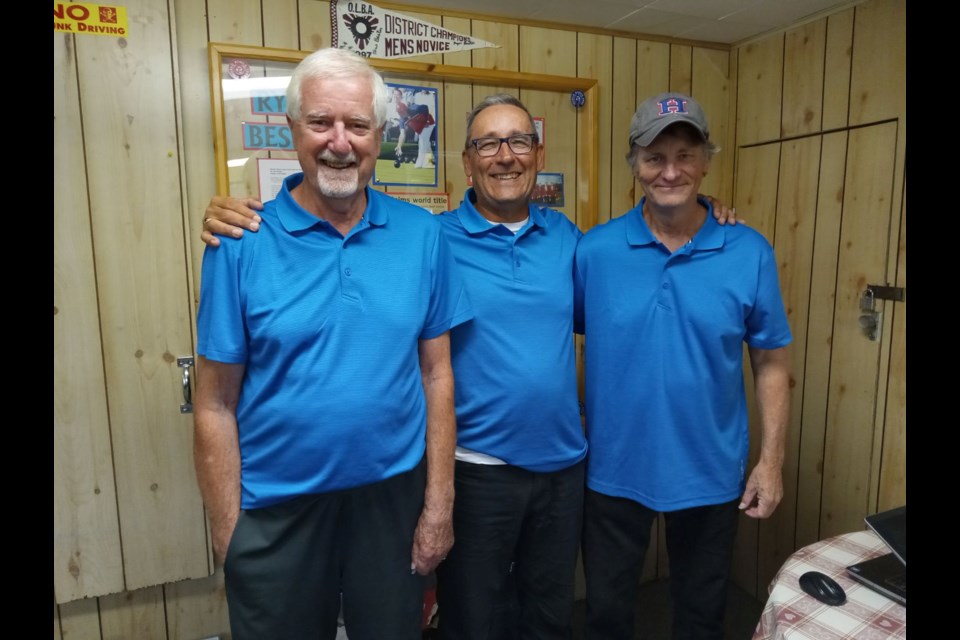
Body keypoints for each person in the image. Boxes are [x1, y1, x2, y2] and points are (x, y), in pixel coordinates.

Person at [202, 93, 740, 640]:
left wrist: (702, 208)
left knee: (550, 617)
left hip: (563, 469)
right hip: (475, 469)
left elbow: (628, 280)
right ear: (467, 160)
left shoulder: (569, 241)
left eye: (519, 141)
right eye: (488, 143)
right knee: (473, 620)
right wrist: (235, 211)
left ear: (536, 152)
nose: (505, 155)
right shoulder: (430, 238)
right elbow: (350, 213)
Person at [192, 47, 473, 640]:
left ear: (380, 134)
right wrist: (229, 531)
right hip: (277, 507)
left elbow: (438, 375)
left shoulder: (423, 235)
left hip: (391, 500)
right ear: (293, 128)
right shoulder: (240, 243)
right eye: (321, 122)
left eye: (357, 125)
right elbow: (214, 402)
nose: (339, 141)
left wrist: (438, 505)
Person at [574, 92, 793, 640]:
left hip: (709, 469)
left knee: (701, 615)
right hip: (612, 467)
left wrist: (771, 461)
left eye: (685, 155)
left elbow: (769, 359)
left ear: (706, 162)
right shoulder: (595, 252)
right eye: (655, 157)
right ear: (635, 164)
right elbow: (570, 335)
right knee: (606, 614)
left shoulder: (749, 250)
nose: (670, 171)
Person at [393, 87, 437, 168]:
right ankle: (426, 163)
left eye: (402, 112)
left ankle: (426, 163)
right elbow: (402, 134)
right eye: (399, 113)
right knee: (423, 143)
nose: (401, 114)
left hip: (428, 123)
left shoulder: (414, 108)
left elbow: (425, 107)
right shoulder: (402, 119)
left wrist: (426, 120)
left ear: (405, 110)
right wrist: (399, 146)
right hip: (420, 128)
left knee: (424, 142)